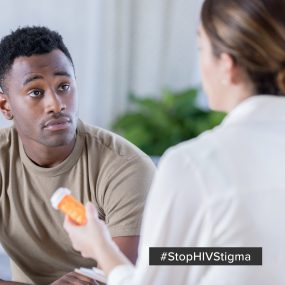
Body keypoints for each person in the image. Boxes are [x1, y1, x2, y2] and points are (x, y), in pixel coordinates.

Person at [64, 0, 285, 284]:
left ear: (228, 65)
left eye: (200, 48)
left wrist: (100, 248)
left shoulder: (196, 166)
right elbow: (249, 255)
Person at [0, 26, 155, 285]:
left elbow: (126, 277)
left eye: (64, 86)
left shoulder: (126, 167)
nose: (56, 104)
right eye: (36, 92)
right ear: (5, 105)